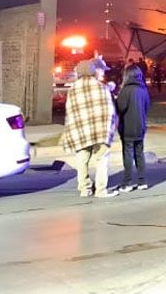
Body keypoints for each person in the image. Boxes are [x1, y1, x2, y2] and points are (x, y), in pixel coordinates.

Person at [60, 60, 118, 198]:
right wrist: (110, 127)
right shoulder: (101, 87)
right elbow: (109, 110)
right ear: (93, 72)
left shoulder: (72, 90)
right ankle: (101, 190)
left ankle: (84, 189)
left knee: (82, 159)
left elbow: (70, 111)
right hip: (100, 131)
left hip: (81, 131)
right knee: (102, 159)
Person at [115, 63, 152, 192]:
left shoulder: (126, 90)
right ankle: (142, 181)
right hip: (140, 126)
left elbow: (120, 108)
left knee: (128, 154)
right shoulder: (143, 90)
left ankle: (127, 182)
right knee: (139, 153)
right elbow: (147, 107)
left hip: (127, 127)